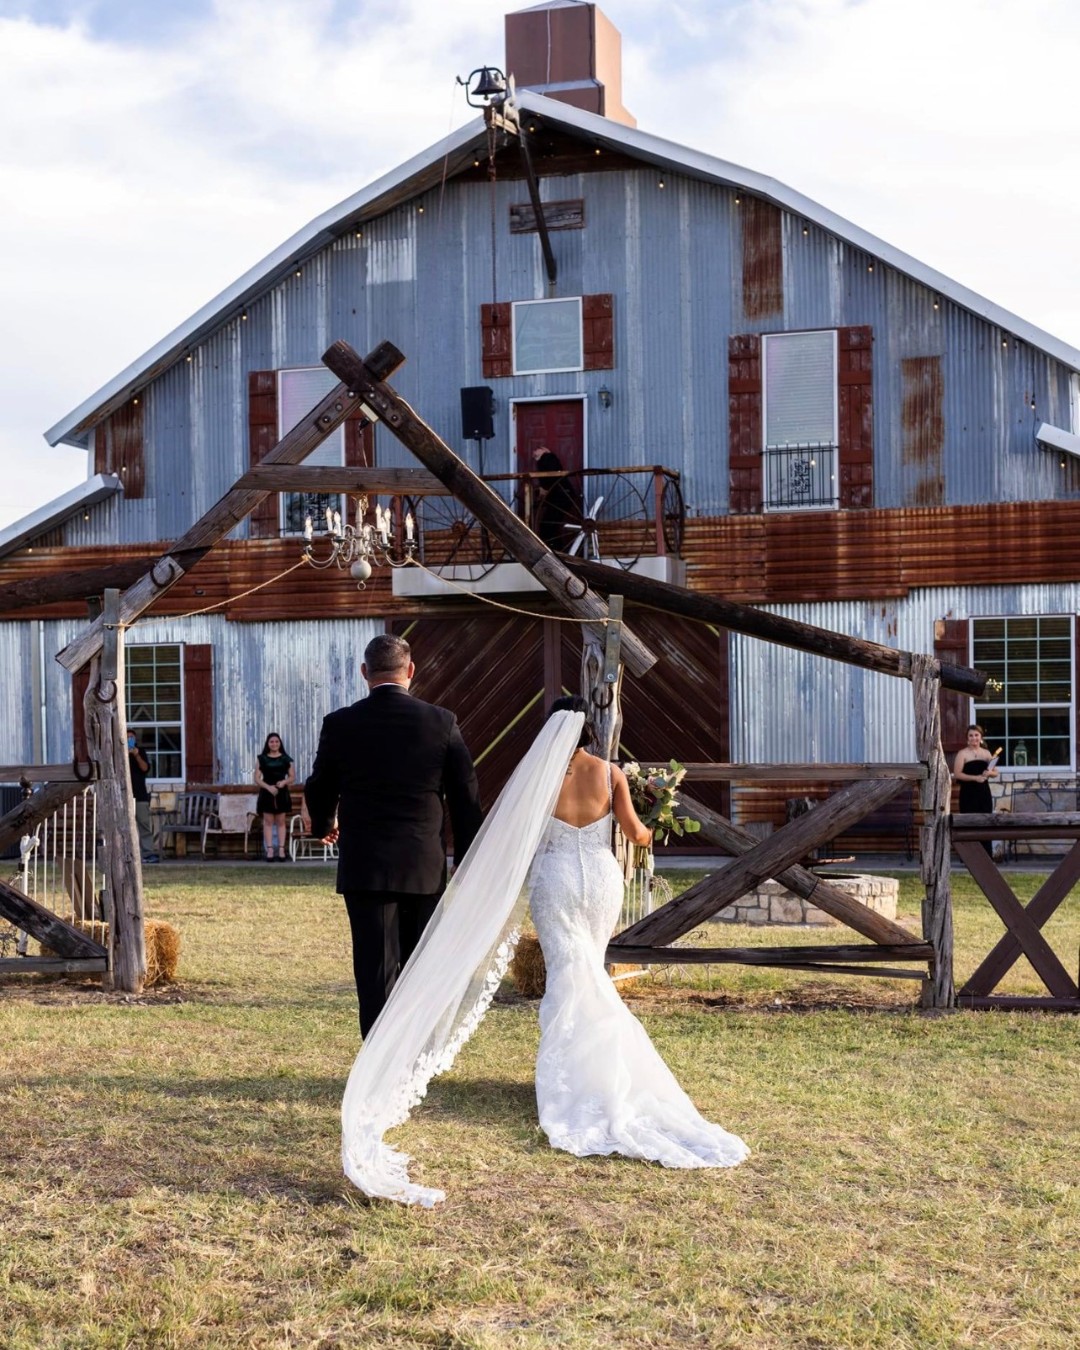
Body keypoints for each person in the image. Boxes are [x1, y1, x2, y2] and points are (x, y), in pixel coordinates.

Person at [338, 698, 748, 1207]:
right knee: (590, 970)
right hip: (600, 879)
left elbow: (518, 842)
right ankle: (602, 1074)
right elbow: (636, 835)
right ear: (588, 734)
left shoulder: (539, 781)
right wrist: (654, 814)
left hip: (555, 880)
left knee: (567, 976)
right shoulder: (611, 773)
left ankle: (576, 1077)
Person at [303, 633, 484, 1038]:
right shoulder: (442, 722)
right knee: (421, 964)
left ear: (365, 672)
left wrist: (323, 824)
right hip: (423, 866)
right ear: (411, 671)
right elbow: (466, 798)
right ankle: (415, 1053)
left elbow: (319, 786)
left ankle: (377, 1061)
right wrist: (466, 860)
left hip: (365, 867)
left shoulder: (340, 723)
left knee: (373, 971)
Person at [953, 723, 998, 857]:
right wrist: (975, 778)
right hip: (968, 794)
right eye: (971, 736)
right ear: (967, 738)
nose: (974, 738)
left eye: (976, 735)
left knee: (985, 823)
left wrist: (989, 774)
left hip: (984, 794)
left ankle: (986, 857)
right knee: (969, 824)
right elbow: (957, 774)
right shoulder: (962, 754)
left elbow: (995, 772)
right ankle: (970, 857)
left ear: (981, 737)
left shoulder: (987, 753)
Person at [254, 733, 295, 862]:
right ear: (268, 743)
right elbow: (256, 778)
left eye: (276, 741)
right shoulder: (262, 759)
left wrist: (283, 783)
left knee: (281, 822)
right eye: (271, 742)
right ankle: (270, 850)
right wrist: (268, 787)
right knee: (268, 822)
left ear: (280, 743)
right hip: (267, 792)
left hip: (281, 793)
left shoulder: (286, 759)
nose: (274, 744)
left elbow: (292, 777)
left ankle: (282, 849)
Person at [532, 446, 581, 551]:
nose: (534, 451)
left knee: (548, 526)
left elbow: (551, 478)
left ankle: (555, 550)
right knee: (550, 525)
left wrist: (543, 488)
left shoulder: (548, 457)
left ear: (544, 450)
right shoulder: (547, 459)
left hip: (560, 497)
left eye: (537, 449)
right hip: (560, 497)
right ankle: (556, 549)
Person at [126, 731, 159, 864]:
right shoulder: (118, 752)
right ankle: (128, 853)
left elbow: (145, 768)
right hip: (124, 797)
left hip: (140, 795)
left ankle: (148, 853)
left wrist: (136, 755)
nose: (129, 739)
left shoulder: (141, 752)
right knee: (125, 826)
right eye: (127, 737)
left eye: (132, 737)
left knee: (144, 825)